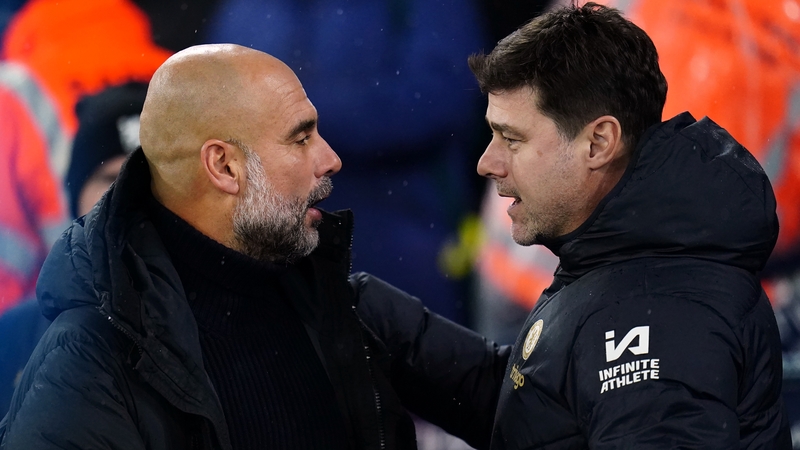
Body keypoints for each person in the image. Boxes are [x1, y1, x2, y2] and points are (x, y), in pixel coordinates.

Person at [0, 44, 509, 449]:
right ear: (224, 167)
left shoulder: (352, 310)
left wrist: (588, 268)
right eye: (301, 137)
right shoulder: (90, 362)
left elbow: (536, 402)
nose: (330, 159)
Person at [468, 3, 790, 448]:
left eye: (512, 138)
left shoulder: (655, 311)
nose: (486, 163)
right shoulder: (634, 264)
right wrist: (368, 308)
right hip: (528, 283)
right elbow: (541, 412)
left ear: (600, 142)